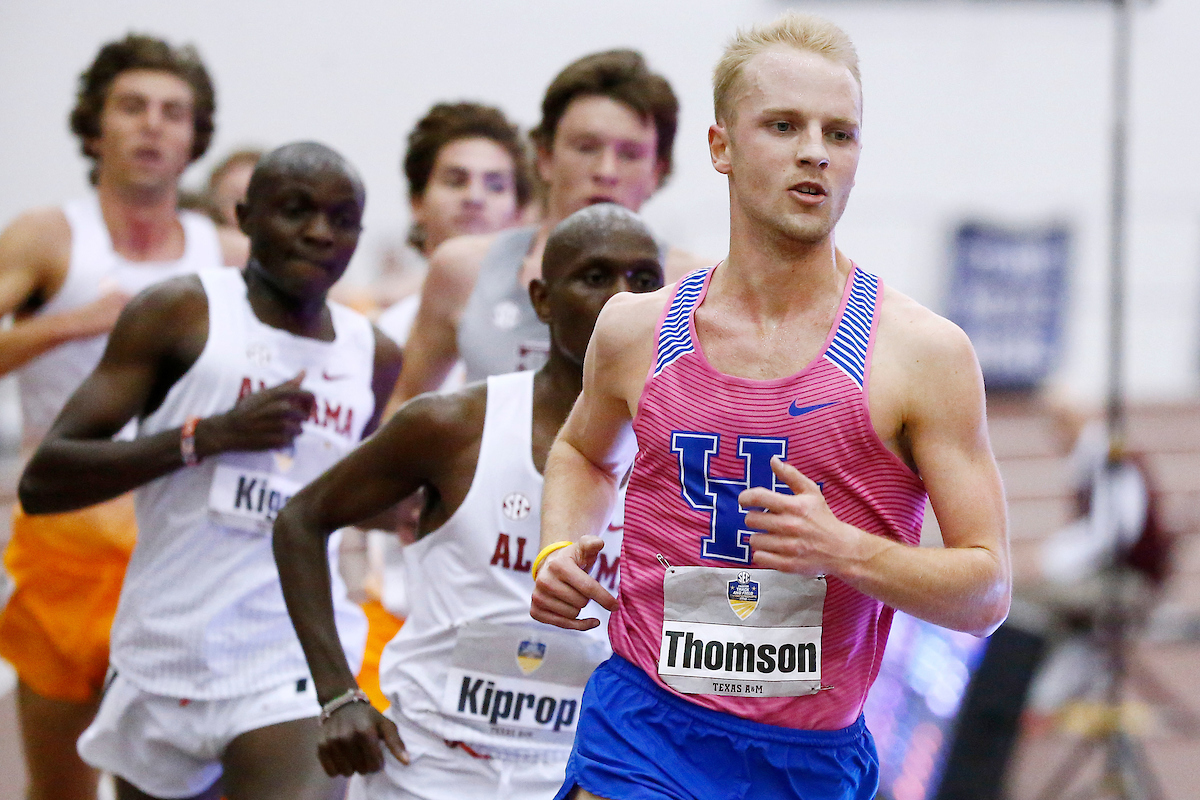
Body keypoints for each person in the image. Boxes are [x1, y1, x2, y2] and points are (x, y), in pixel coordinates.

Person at [529, 13, 1011, 800]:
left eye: (840, 133)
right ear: (721, 147)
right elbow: (583, 452)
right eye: (783, 126)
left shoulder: (923, 353)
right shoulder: (635, 328)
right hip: (643, 724)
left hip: (807, 759)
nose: (815, 151)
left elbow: (987, 592)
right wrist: (560, 547)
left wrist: (846, 551)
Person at [18, 141, 403, 800]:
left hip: (292, 656)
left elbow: (352, 499)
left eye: (342, 219)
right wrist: (208, 437)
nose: (319, 232)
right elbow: (47, 479)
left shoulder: (372, 354)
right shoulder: (180, 311)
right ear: (245, 215)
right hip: (167, 649)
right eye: (295, 210)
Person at [272, 204, 664, 800]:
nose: (620, 299)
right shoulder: (455, 424)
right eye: (594, 276)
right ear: (542, 300)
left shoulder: (686, 444)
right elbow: (300, 519)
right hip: (430, 768)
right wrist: (338, 694)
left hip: (582, 771)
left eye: (642, 281)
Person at [0, 33, 241, 800]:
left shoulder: (226, 254)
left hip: (187, 548)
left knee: (177, 789)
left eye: (174, 112)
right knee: (61, 787)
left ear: (194, 137)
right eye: (132, 107)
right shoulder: (50, 236)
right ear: (94, 127)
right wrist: (76, 322)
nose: (152, 125)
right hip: (67, 540)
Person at [393, 49, 709, 403]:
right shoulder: (463, 268)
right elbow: (403, 406)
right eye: (586, 147)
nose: (606, 171)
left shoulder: (697, 288)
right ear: (544, 157)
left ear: (657, 172)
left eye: (629, 154)